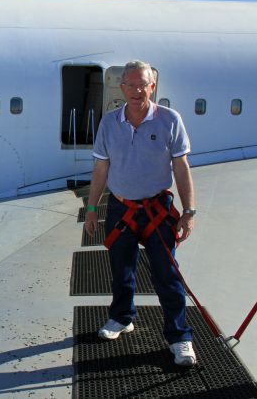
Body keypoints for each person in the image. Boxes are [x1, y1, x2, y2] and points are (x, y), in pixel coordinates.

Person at [84, 60, 197, 366]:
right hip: (121, 207)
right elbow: (101, 167)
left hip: (157, 209)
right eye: (130, 85)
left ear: (152, 86)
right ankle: (122, 318)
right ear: (122, 88)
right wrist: (92, 208)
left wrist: (188, 210)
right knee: (121, 270)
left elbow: (180, 166)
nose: (136, 90)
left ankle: (180, 337)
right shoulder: (109, 123)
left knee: (167, 275)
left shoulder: (169, 120)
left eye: (142, 84)